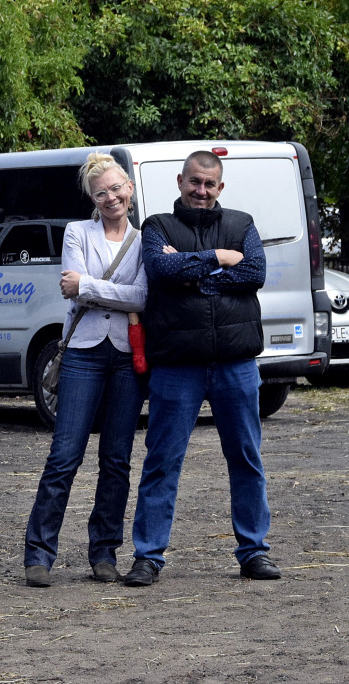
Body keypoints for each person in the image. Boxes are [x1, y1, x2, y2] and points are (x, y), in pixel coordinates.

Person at [123, 151, 280, 587]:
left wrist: (194, 273)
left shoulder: (243, 223)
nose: (201, 191)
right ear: (180, 180)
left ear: (221, 187)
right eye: (195, 182)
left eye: (210, 184)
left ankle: (253, 552)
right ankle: (148, 556)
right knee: (162, 462)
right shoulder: (156, 226)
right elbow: (159, 267)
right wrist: (220, 257)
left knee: (247, 459)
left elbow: (254, 273)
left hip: (236, 363)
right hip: (177, 365)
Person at [23, 153, 148, 588]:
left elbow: (141, 299)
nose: (110, 197)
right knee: (64, 456)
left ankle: (104, 553)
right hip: (83, 352)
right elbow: (72, 288)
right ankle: (39, 554)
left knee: (117, 460)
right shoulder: (77, 232)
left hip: (126, 358)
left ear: (129, 189)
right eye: (101, 193)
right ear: (92, 199)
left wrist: (90, 287)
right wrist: (111, 292)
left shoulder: (144, 239)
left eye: (116, 189)